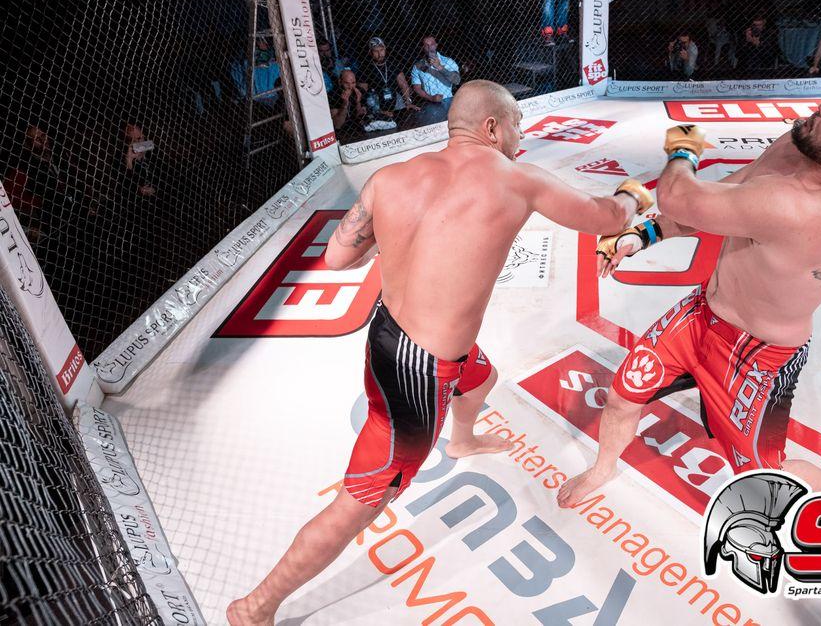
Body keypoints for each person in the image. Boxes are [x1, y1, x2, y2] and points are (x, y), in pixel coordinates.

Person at [227, 80, 655, 626]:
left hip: (387, 334)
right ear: (492, 127)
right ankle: (257, 605)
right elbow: (608, 218)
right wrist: (636, 193)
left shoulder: (391, 177)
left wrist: (402, 235)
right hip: (419, 373)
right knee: (362, 501)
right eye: (516, 125)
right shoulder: (517, 179)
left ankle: (463, 438)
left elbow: (337, 259)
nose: (521, 137)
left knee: (480, 377)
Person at [558, 93, 821, 508]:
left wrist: (684, 150)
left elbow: (681, 198)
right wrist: (645, 234)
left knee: (762, 475)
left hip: (756, 354)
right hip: (701, 313)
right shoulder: (800, 149)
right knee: (624, 395)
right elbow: (725, 196)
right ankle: (603, 467)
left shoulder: (802, 207)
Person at [359, 37, 418, 130]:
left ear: (385, 49)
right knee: (371, 98)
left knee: (409, 117)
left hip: (394, 99)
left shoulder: (393, 63)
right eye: (376, 51)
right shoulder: (365, 68)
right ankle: (380, 114)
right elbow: (363, 92)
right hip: (376, 103)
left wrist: (408, 101)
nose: (380, 54)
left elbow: (403, 84)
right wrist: (376, 110)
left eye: (381, 50)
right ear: (370, 52)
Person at [410, 35, 461, 103]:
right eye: (426, 45)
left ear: (436, 45)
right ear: (423, 48)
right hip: (429, 102)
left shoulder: (448, 61)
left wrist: (439, 67)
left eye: (432, 44)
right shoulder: (418, 66)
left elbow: (457, 81)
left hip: (448, 100)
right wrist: (431, 98)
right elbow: (417, 88)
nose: (429, 47)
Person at [329, 68, 367, 134]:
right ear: (340, 82)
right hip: (341, 132)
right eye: (347, 83)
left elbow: (361, 118)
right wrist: (345, 104)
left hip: (358, 128)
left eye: (353, 83)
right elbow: (338, 125)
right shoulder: (332, 95)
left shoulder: (359, 91)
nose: (350, 87)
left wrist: (358, 102)